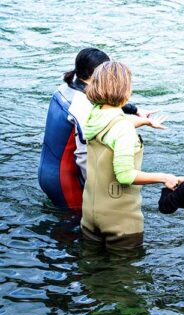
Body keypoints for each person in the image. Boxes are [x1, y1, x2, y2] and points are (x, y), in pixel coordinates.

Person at [81, 61, 183, 253]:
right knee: (122, 278)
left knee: (92, 273)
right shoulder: (123, 129)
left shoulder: (93, 115)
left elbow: (114, 122)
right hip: (119, 221)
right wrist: (165, 177)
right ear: (125, 90)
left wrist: (144, 121)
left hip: (89, 213)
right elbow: (125, 175)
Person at [38, 48, 157, 211]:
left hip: (47, 170)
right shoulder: (82, 109)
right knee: (75, 228)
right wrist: (100, 194)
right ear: (95, 74)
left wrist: (134, 110)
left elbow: (99, 104)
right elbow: (84, 156)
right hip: (65, 183)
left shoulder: (64, 89)